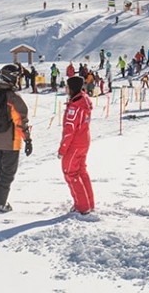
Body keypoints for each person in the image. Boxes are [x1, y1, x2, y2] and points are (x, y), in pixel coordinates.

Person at [0, 64, 32, 213]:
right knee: (7, 174)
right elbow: (21, 121)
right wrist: (28, 140)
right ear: (13, 77)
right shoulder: (12, 97)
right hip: (10, 142)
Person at [59, 76, 94, 215]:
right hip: (84, 140)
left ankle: (82, 206)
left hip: (75, 143)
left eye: (67, 87)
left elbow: (69, 130)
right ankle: (88, 202)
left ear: (72, 88)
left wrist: (62, 150)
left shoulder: (75, 106)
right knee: (80, 171)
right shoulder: (82, 100)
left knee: (70, 172)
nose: (65, 89)